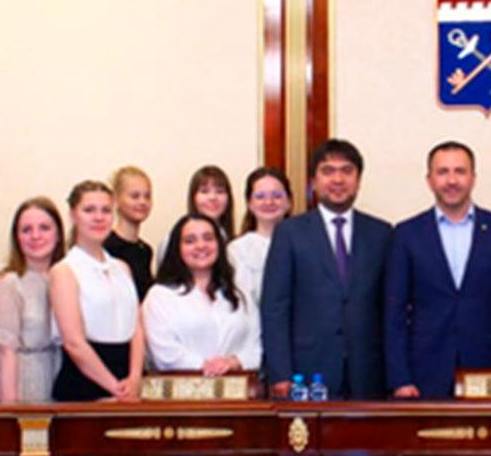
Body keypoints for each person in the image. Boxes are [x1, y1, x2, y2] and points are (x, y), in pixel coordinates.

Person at [383, 142, 491, 398]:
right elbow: (393, 314)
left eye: (460, 171)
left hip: (489, 373)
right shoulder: (407, 234)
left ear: (473, 178)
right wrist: (400, 379)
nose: (452, 180)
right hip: (424, 375)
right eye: (443, 172)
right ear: (429, 180)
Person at [261, 138, 393, 399]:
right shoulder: (290, 233)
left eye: (347, 171)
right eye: (328, 171)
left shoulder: (381, 233)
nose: (338, 179)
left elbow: (390, 309)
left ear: (358, 179)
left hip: (369, 373)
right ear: (313, 181)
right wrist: (280, 373)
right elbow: (275, 308)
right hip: (307, 372)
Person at [49, 180, 145, 402]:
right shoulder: (65, 271)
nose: (99, 217)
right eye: (89, 210)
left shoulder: (122, 268)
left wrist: (134, 378)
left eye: (105, 210)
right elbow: (73, 342)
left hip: (126, 382)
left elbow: (136, 328)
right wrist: (115, 388)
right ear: (73, 215)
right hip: (84, 384)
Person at [142, 214, 260, 376]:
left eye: (208, 238)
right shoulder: (159, 296)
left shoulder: (240, 293)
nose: (201, 245)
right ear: (177, 249)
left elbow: (257, 344)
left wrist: (234, 362)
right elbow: (163, 352)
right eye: (190, 241)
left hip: (238, 385)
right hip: (183, 387)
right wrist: (205, 366)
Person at [0, 198, 64, 404]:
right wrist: (10, 408)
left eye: (44, 228)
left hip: (59, 372)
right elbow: (6, 350)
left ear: (58, 234)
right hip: (23, 377)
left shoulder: (66, 278)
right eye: (26, 230)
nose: (35, 236)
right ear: (16, 237)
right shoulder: (9, 282)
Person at [228, 166, 291, 309]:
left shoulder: (304, 244)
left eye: (277, 195)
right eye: (260, 196)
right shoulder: (237, 250)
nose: (269, 202)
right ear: (249, 204)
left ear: (289, 202)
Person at [104, 165, 156, 301]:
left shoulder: (145, 250)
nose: (142, 202)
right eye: (135, 196)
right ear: (116, 199)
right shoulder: (107, 247)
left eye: (147, 196)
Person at [187, 165, 237, 240]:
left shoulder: (237, 243)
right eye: (204, 191)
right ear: (193, 197)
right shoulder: (178, 238)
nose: (212, 197)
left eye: (220, 191)